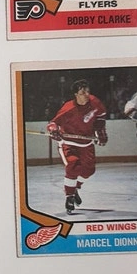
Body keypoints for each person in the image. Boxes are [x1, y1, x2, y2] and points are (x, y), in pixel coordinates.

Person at [46, 79, 108, 214]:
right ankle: (69, 196)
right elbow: (52, 124)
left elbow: (101, 116)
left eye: (87, 92)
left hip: (86, 143)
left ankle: (74, 188)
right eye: (82, 93)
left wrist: (100, 131)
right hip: (68, 143)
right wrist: (54, 131)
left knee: (89, 171)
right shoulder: (69, 108)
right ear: (76, 95)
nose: (86, 95)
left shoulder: (95, 102)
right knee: (74, 165)